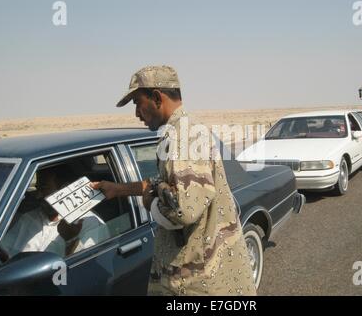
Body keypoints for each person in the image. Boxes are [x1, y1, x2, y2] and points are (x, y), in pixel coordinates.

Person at [91, 65, 257, 296]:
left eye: (138, 103)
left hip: (196, 281)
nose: (137, 113)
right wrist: (118, 189)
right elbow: (164, 184)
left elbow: (183, 211)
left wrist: (150, 204)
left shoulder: (181, 137)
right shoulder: (187, 129)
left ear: (157, 97)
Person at [0, 167, 108, 262]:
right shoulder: (30, 217)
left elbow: (83, 270)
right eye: (38, 188)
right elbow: (2, 254)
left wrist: (70, 241)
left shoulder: (89, 223)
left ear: (64, 189)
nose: (38, 195)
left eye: (44, 188)